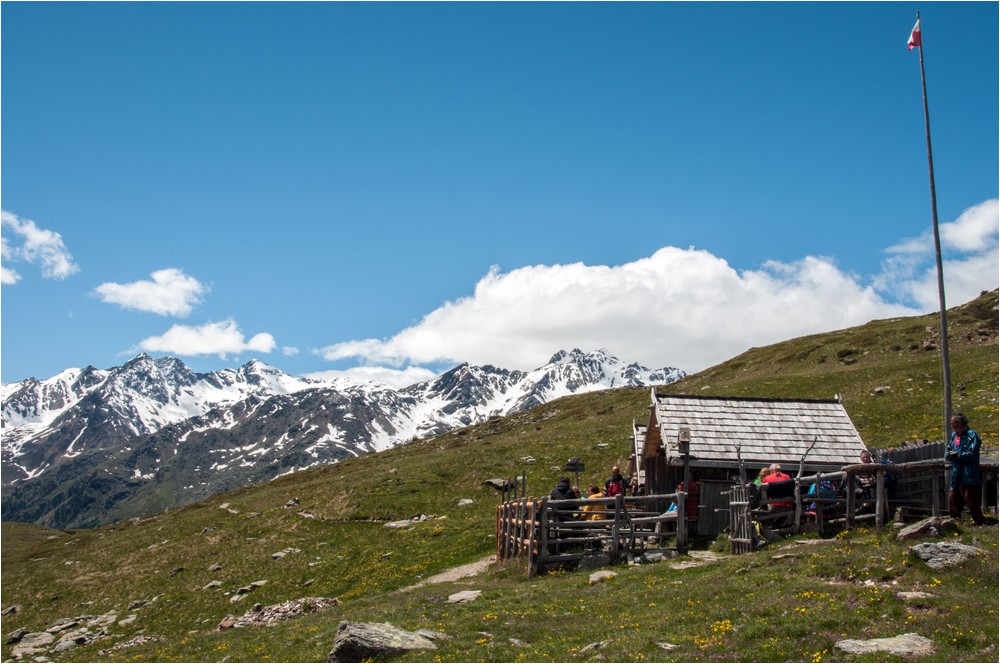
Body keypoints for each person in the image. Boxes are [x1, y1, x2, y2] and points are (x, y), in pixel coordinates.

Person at [946, 413, 992, 525]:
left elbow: (972, 452)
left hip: (968, 472)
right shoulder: (954, 436)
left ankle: (980, 521)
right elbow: (948, 450)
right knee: (953, 496)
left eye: (953, 423)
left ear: (959, 423)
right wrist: (950, 454)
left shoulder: (972, 435)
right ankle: (955, 520)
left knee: (969, 497)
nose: (952, 425)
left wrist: (960, 455)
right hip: (956, 471)